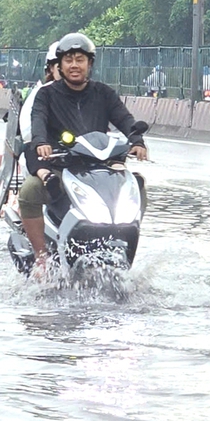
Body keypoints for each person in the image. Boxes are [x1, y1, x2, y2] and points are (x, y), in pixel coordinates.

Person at [21, 33, 148, 268]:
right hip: (63, 167)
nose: (74, 65)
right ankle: (41, 257)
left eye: (80, 59)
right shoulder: (46, 94)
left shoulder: (104, 93)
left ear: (90, 64)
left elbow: (125, 119)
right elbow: (38, 121)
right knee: (29, 191)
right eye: (68, 60)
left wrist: (137, 141)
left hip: (100, 168)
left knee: (137, 188)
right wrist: (41, 142)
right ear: (59, 64)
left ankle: (128, 251)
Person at [19, 42, 61, 146]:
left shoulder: (95, 93)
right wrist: (41, 141)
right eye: (61, 66)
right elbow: (27, 133)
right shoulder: (43, 93)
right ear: (51, 68)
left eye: (79, 61)